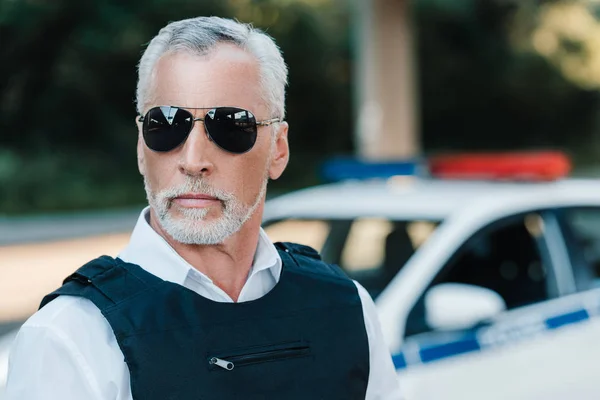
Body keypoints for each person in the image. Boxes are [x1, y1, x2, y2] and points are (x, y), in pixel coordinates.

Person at [5, 16, 402, 399]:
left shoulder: (347, 307)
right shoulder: (72, 338)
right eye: (166, 125)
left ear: (277, 149)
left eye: (230, 126)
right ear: (142, 148)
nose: (193, 159)